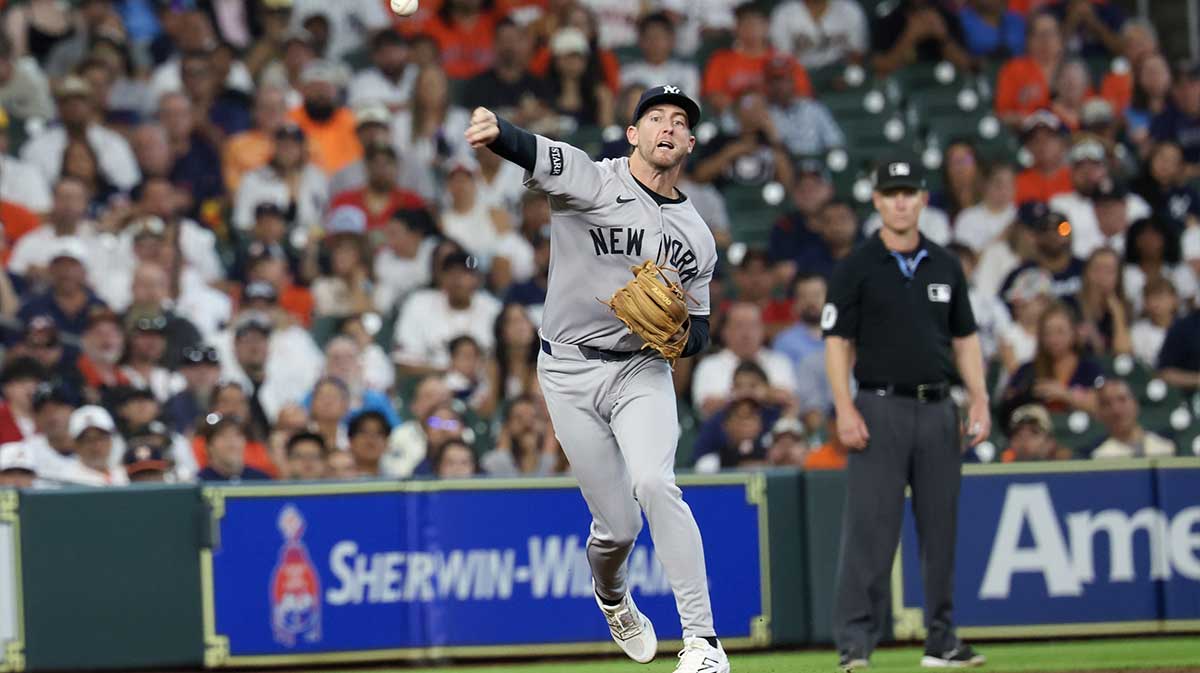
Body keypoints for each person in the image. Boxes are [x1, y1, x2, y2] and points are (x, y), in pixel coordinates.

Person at [464, 85, 729, 672]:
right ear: (632, 134)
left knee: (657, 485)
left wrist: (682, 338)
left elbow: (702, 328)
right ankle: (612, 597)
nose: (666, 126)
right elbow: (535, 150)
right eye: (654, 117)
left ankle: (703, 643)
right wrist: (497, 129)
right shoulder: (593, 178)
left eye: (679, 121)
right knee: (619, 527)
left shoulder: (697, 236)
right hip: (567, 370)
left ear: (688, 143)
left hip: (640, 368)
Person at [823, 156, 989, 669]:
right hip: (879, 404)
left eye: (908, 192)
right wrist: (845, 407)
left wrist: (979, 397)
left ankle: (942, 639)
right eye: (890, 192)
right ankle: (855, 643)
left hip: (938, 406)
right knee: (871, 531)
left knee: (941, 529)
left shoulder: (944, 262)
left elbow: (965, 338)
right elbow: (837, 341)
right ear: (876, 200)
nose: (899, 200)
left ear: (921, 199)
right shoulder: (857, 265)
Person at [1091, 379, 1176, 458]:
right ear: (1099, 413)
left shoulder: (1167, 447)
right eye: (1107, 404)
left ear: (1135, 403)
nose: (1116, 410)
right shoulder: (1101, 456)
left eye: (1122, 400)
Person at [999, 404, 1072, 462]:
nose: (1024, 440)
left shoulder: (1069, 470)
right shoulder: (1000, 469)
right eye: (1017, 433)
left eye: (1034, 432)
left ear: (1050, 442)